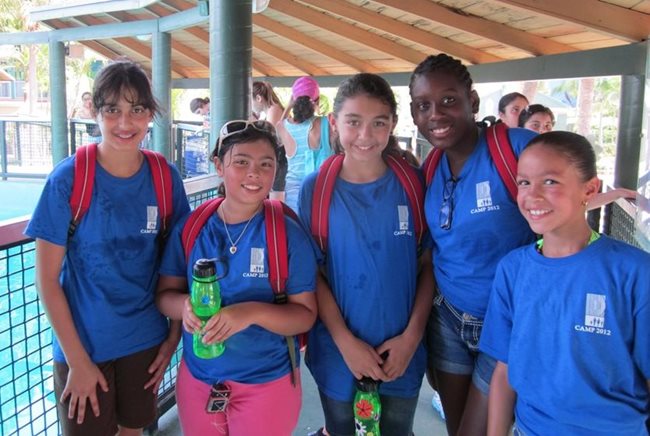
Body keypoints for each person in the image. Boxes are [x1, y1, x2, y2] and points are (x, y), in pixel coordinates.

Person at [25, 60, 190, 436]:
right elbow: (47, 281)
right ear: (93, 111)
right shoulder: (68, 180)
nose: (125, 123)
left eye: (137, 109)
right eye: (112, 110)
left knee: (133, 431)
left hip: (145, 340)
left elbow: (177, 265)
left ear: (151, 113)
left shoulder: (165, 178)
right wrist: (78, 362)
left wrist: (172, 338)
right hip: (82, 344)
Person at [480, 131, 650, 435]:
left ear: (590, 189)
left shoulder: (633, 273)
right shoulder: (513, 270)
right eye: (524, 182)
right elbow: (505, 371)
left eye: (550, 181)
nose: (532, 195)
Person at [155, 120, 318, 435]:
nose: (253, 173)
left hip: (267, 381)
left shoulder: (287, 234)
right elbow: (164, 296)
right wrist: (185, 307)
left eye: (265, 164)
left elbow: (304, 316)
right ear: (218, 165)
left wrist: (250, 313)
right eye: (241, 162)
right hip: (199, 380)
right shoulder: (191, 229)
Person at [409, 53, 538, 436]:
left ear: (473, 102)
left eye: (449, 100)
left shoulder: (516, 150)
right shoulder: (431, 167)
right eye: (423, 106)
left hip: (508, 319)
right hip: (447, 316)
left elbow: (564, 210)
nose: (435, 114)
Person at [298, 73, 434, 436]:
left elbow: (428, 265)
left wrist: (411, 338)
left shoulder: (412, 183)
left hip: (402, 354)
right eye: (353, 122)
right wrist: (345, 342)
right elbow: (314, 274)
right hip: (338, 354)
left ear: (392, 125)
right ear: (333, 122)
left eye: (378, 123)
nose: (365, 135)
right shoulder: (317, 189)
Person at [277, 76, 334, 211]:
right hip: (321, 192)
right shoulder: (326, 124)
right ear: (317, 101)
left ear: (293, 100)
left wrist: (288, 106)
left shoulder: (283, 126)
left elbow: (279, 126)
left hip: (293, 195)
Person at [251, 81, 289, 202]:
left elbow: (269, 137)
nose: (251, 106)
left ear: (258, 98)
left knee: (276, 198)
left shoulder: (274, 109)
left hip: (280, 156)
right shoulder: (270, 110)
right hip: (278, 156)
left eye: (250, 101)